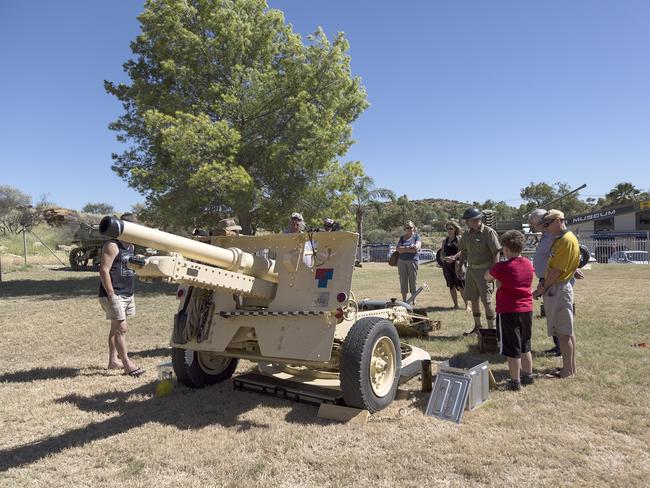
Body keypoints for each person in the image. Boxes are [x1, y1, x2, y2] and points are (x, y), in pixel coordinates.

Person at [533, 210, 580, 379]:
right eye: (543, 224)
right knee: (567, 331)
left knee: (563, 333)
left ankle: (567, 371)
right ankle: (570, 368)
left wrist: (541, 289)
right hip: (560, 287)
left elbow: (557, 271)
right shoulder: (563, 239)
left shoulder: (565, 240)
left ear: (559, 221)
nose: (544, 227)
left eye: (547, 224)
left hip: (558, 288)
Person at [485, 230, 535, 391]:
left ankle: (515, 381)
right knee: (525, 345)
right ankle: (528, 375)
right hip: (526, 310)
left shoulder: (502, 266)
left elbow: (487, 276)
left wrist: (498, 279)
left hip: (508, 311)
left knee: (512, 348)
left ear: (506, 248)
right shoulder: (528, 263)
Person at [98, 213, 144, 377]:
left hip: (127, 293)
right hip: (114, 293)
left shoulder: (131, 246)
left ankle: (113, 361)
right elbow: (103, 270)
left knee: (115, 329)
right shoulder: (112, 245)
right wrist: (111, 294)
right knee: (122, 329)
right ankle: (126, 364)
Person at [452, 208, 501, 335]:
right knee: (473, 299)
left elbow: (496, 252)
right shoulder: (467, 235)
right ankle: (477, 327)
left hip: (485, 271)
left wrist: (493, 271)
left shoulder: (489, 233)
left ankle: (492, 329)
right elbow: (463, 251)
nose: (466, 223)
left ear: (476, 220)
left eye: (467, 220)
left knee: (487, 300)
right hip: (471, 270)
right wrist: (459, 267)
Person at [528, 208, 561, 356]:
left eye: (536, 225)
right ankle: (558, 345)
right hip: (545, 279)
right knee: (551, 314)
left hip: (552, 280)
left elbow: (559, 258)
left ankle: (560, 347)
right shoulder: (545, 236)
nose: (535, 227)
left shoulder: (553, 237)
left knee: (556, 314)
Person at [440, 221, 467, 309]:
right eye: (447, 229)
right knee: (451, 286)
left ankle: (467, 305)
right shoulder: (445, 241)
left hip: (457, 264)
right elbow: (441, 254)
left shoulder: (459, 239)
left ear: (455, 229)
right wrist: (445, 258)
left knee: (460, 285)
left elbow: (462, 251)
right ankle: (455, 305)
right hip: (447, 266)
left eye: (451, 228)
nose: (449, 230)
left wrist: (454, 257)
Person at [395, 220, 422, 303]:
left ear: (413, 228)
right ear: (405, 229)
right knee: (403, 280)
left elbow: (416, 249)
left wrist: (404, 249)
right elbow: (398, 249)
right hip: (401, 261)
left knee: (413, 280)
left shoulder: (417, 237)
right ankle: (404, 300)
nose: (409, 229)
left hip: (412, 261)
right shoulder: (402, 238)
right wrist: (409, 247)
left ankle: (413, 299)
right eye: (407, 227)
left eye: (411, 227)